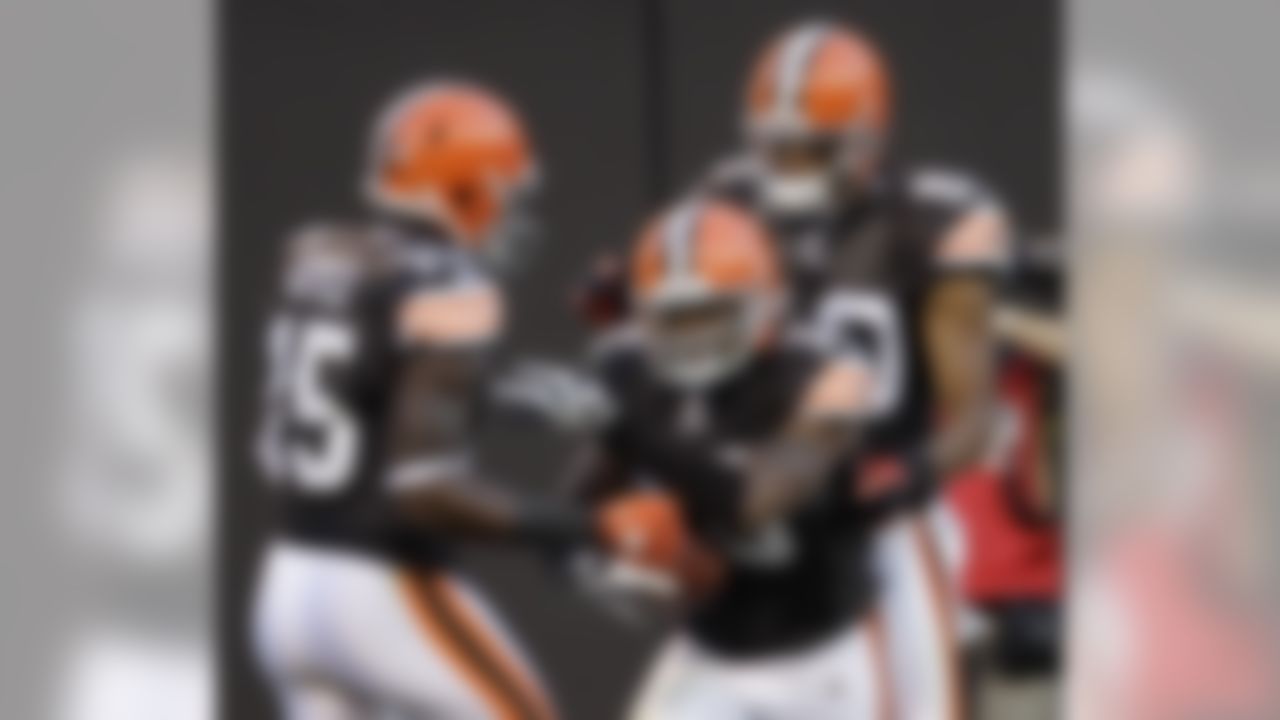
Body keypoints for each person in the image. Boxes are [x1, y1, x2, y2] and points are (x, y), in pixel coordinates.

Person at [249, 80, 683, 720]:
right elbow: (425, 488)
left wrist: (507, 395)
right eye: (505, 195)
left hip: (284, 588)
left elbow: (373, 396)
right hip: (380, 587)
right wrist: (587, 527)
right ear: (462, 192)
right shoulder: (449, 286)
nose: (514, 214)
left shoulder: (316, 254)